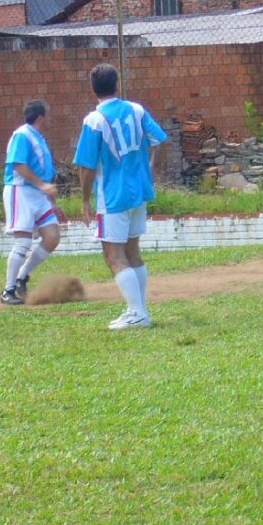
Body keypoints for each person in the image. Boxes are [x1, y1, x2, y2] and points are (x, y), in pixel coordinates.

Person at [74, 63, 167, 329]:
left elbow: (86, 167)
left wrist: (85, 200)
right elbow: (161, 140)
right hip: (139, 193)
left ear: (93, 89)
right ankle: (139, 310)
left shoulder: (94, 120)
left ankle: (137, 313)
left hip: (112, 198)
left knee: (113, 255)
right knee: (132, 251)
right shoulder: (136, 110)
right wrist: (151, 169)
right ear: (117, 85)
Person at [0, 100, 62, 305]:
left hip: (38, 194)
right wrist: (42, 186)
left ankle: (22, 276)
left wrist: (51, 201)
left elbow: (44, 173)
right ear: (41, 117)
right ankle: (8, 290)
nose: (51, 119)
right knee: (23, 242)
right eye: (49, 115)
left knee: (52, 237)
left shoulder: (38, 138)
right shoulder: (22, 135)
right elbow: (18, 165)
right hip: (21, 191)